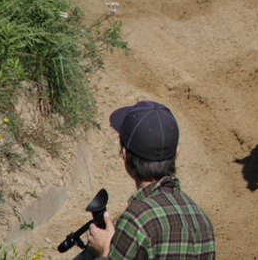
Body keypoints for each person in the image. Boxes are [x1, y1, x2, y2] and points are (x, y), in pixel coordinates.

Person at [79, 101, 216, 260]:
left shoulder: (136, 220)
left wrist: (104, 250)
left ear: (125, 155)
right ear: (177, 152)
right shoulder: (203, 221)